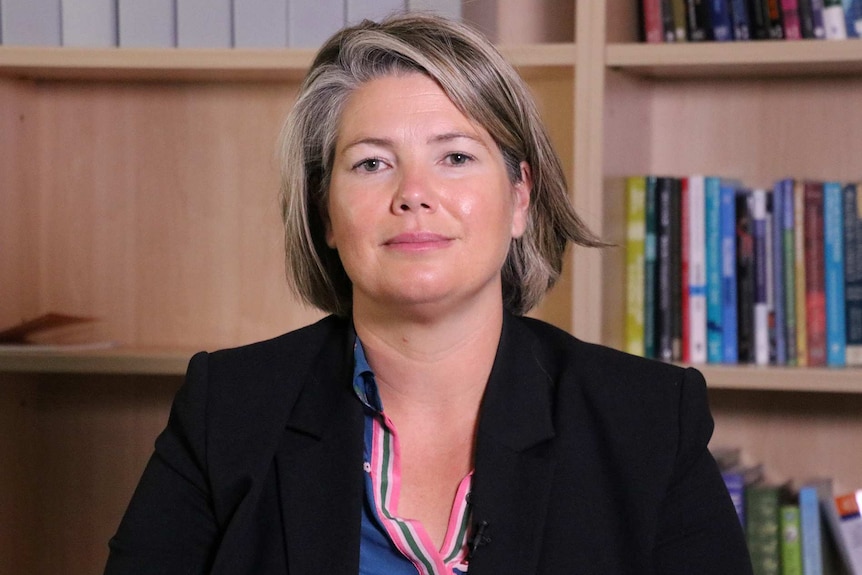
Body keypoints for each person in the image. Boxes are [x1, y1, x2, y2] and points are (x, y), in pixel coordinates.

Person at [104, 12, 753, 575]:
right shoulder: (230, 407)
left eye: (455, 156)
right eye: (371, 163)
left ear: (520, 196)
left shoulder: (646, 419)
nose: (413, 192)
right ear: (327, 214)